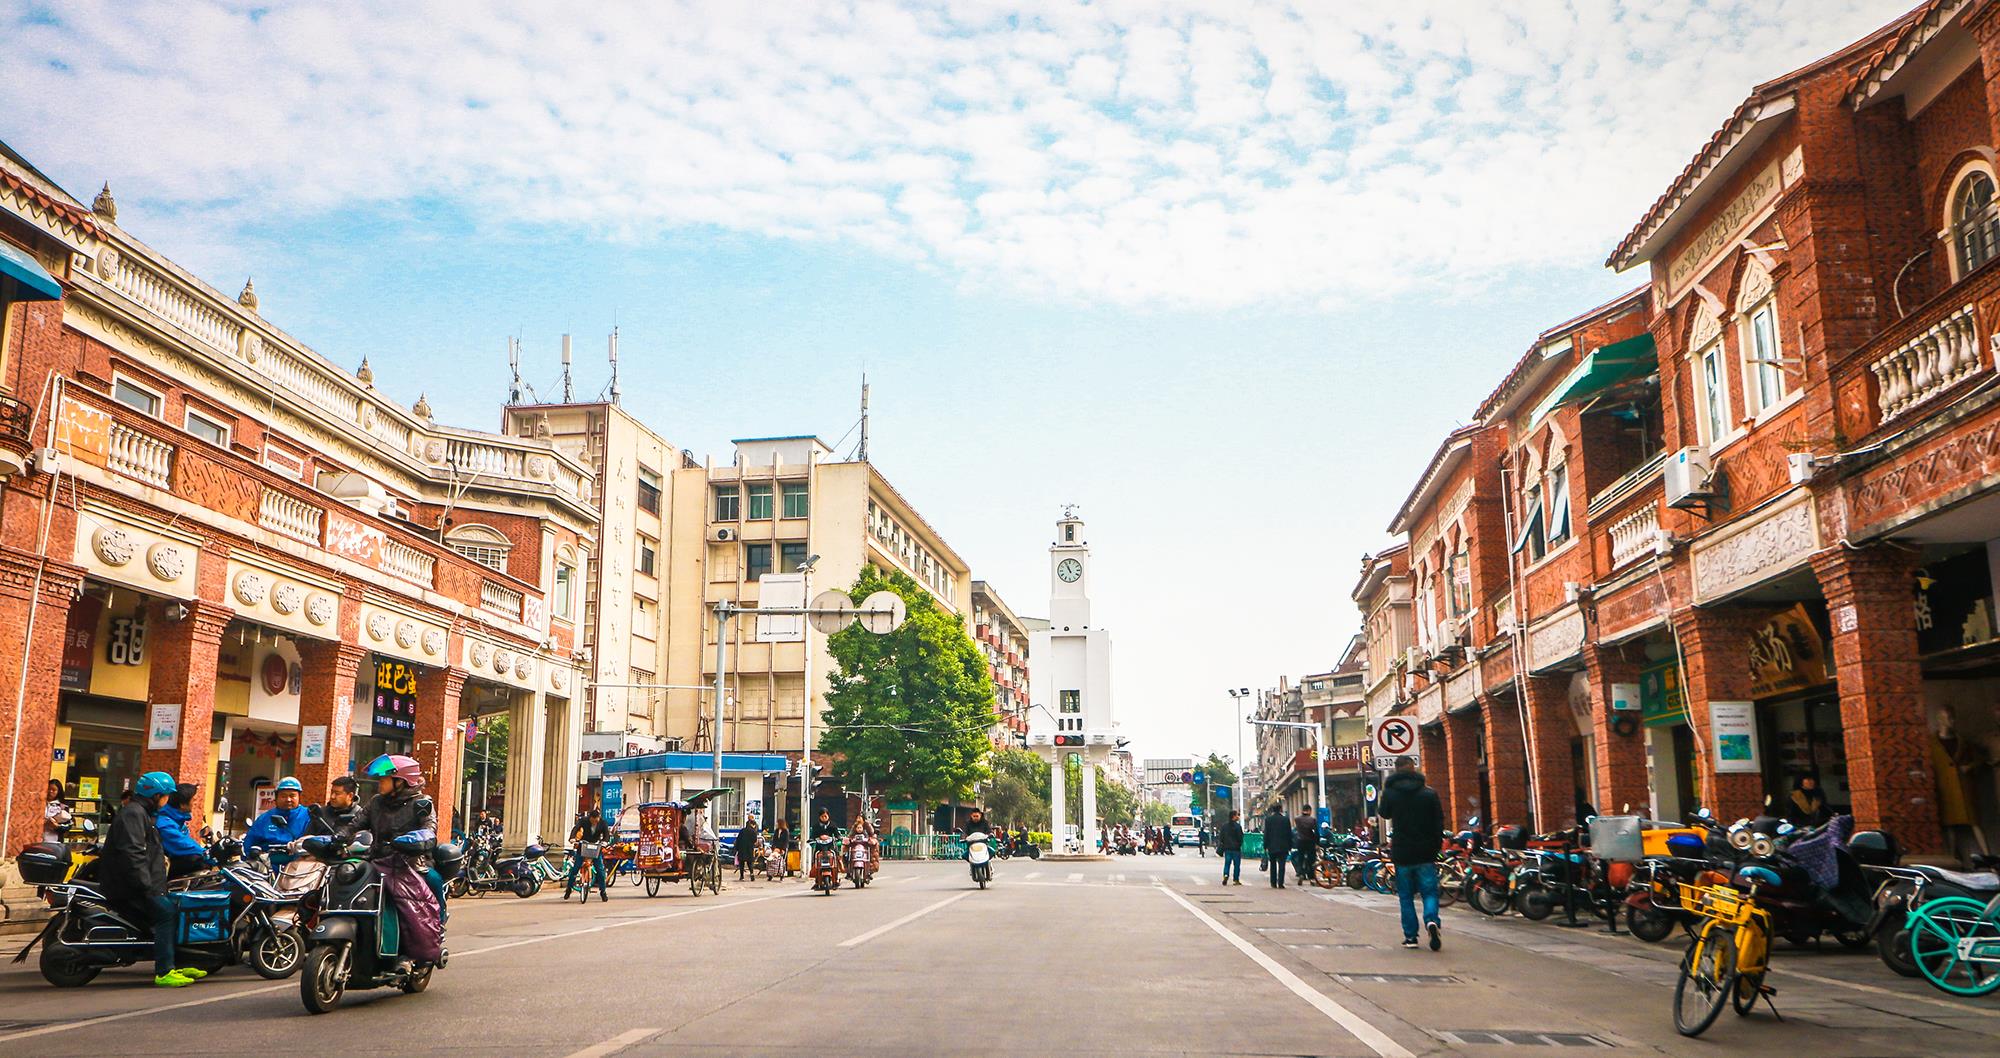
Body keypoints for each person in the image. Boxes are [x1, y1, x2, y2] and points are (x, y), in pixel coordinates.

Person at [333, 754, 445, 966]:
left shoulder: (422, 804)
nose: (379, 783)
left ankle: (433, 930)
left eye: (384, 779)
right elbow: (356, 824)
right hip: (377, 861)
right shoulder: (376, 803)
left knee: (433, 881)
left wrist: (415, 840)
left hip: (410, 864)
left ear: (400, 781)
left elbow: (429, 830)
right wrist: (339, 836)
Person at [104, 771, 207, 987]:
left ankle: (174, 963)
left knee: (174, 910)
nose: (168, 800)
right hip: (130, 886)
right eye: (165, 796)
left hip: (147, 883)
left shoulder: (144, 813)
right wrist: (146, 886)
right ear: (156, 795)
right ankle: (164, 971)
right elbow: (132, 854)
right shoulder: (134, 814)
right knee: (166, 913)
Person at [1378, 756, 1444, 951]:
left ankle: (1411, 937)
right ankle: (1431, 920)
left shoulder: (1391, 793)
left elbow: (1384, 813)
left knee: (1406, 897)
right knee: (1429, 892)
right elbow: (1439, 822)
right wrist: (1436, 846)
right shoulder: (1429, 794)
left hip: (1403, 853)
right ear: (1414, 768)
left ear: (1396, 770)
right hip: (1426, 852)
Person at [245, 777, 311, 859]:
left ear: (299, 797)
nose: (288, 799)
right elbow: (249, 844)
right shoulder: (264, 818)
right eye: (283, 796)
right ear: (276, 797)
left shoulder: (309, 816)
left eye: (292, 796)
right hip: (267, 864)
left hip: (300, 865)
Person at [158, 783, 213, 878]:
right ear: (182, 804)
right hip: (160, 871)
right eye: (193, 800)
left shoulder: (177, 820)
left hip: (169, 863)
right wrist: (207, 853)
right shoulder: (164, 823)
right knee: (198, 861)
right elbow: (183, 845)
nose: (195, 803)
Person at [564, 806, 612, 901]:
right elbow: (575, 828)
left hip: (595, 847)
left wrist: (605, 842)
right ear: (590, 818)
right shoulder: (584, 821)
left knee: (600, 870)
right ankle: (568, 889)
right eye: (594, 820)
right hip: (583, 846)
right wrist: (572, 838)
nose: (595, 822)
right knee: (575, 868)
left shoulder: (602, 823)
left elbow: (607, 834)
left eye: (597, 820)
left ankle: (603, 891)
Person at [1262, 803, 1293, 888]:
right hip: (1283, 846)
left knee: (1273, 865)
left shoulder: (1268, 820)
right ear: (1280, 809)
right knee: (1282, 865)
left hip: (1272, 846)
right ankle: (1280, 883)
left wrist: (1265, 845)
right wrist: (1290, 846)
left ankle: (1273, 883)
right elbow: (1289, 834)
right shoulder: (1285, 820)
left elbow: (1266, 834)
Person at [1293, 808, 1320, 886]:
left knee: (1301, 859)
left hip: (1300, 842)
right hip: (1310, 842)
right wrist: (1317, 843)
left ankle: (1301, 874)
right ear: (1309, 811)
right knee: (1311, 860)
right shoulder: (1312, 820)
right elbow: (1316, 832)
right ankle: (1311, 878)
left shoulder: (1297, 819)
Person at [1218, 810, 1245, 885]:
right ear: (1233, 816)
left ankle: (1226, 875)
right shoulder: (1238, 827)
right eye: (1237, 815)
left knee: (1227, 863)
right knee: (1236, 865)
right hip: (1236, 849)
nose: (1238, 817)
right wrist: (1239, 844)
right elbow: (1240, 838)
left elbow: (1221, 837)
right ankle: (1236, 880)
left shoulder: (1224, 826)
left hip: (1227, 848)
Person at [43, 778, 73, 845]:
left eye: (53, 790)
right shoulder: (38, 804)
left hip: (54, 842)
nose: (50, 792)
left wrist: (57, 826)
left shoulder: (62, 807)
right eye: (48, 789)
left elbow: (69, 825)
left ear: (58, 792)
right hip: (38, 841)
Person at [735, 811, 761, 881]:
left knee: (741, 863)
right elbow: (755, 840)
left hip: (742, 848)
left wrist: (737, 849)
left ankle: (741, 876)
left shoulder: (742, 831)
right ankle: (752, 874)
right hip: (749, 848)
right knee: (750, 862)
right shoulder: (753, 832)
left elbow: (738, 840)